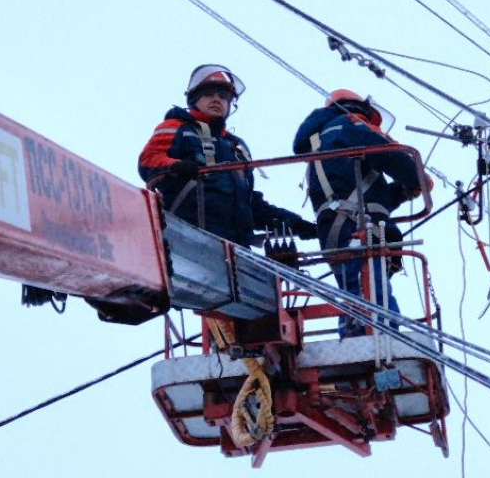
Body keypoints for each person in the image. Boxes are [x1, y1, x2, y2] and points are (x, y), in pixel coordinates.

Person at [293, 89, 430, 337]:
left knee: (357, 292)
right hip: (355, 228)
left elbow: (371, 197)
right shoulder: (347, 124)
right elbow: (386, 153)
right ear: (359, 109)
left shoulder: (328, 143)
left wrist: (404, 191)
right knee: (374, 299)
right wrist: (416, 176)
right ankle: (382, 344)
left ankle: (358, 339)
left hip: (340, 227)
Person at [139, 64, 317, 246]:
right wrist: (176, 166)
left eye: (223, 96)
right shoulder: (177, 127)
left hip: (236, 251)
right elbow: (148, 161)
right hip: (188, 243)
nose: (217, 99)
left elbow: (250, 204)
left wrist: (294, 223)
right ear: (194, 99)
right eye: (209, 94)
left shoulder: (236, 147)